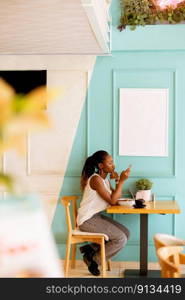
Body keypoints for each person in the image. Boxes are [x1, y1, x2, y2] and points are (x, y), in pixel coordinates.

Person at [76, 150, 131, 276]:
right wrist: (122, 181)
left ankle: (91, 249)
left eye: (113, 162)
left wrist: (117, 181)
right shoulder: (96, 180)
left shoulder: (104, 180)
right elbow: (112, 201)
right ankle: (93, 260)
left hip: (96, 217)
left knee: (126, 233)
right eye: (110, 163)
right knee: (120, 238)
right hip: (87, 220)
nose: (113, 165)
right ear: (101, 166)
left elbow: (115, 198)